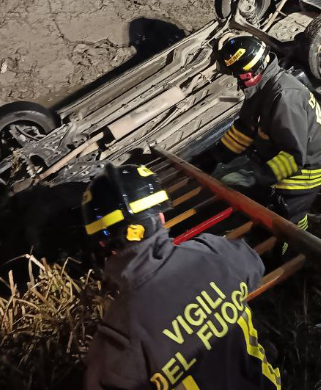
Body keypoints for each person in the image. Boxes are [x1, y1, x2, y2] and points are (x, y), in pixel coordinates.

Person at [82, 163, 281, 390]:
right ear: (161, 217)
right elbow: (254, 265)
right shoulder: (216, 253)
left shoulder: (118, 334)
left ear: (102, 243)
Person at [208, 34, 321, 233]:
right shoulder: (260, 86)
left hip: (306, 171)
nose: (239, 80)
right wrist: (213, 157)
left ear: (253, 70)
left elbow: (294, 156)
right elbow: (245, 129)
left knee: (285, 219)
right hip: (280, 157)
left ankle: (290, 251)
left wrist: (256, 177)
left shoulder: (285, 97)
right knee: (261, 197)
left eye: (240, 74)